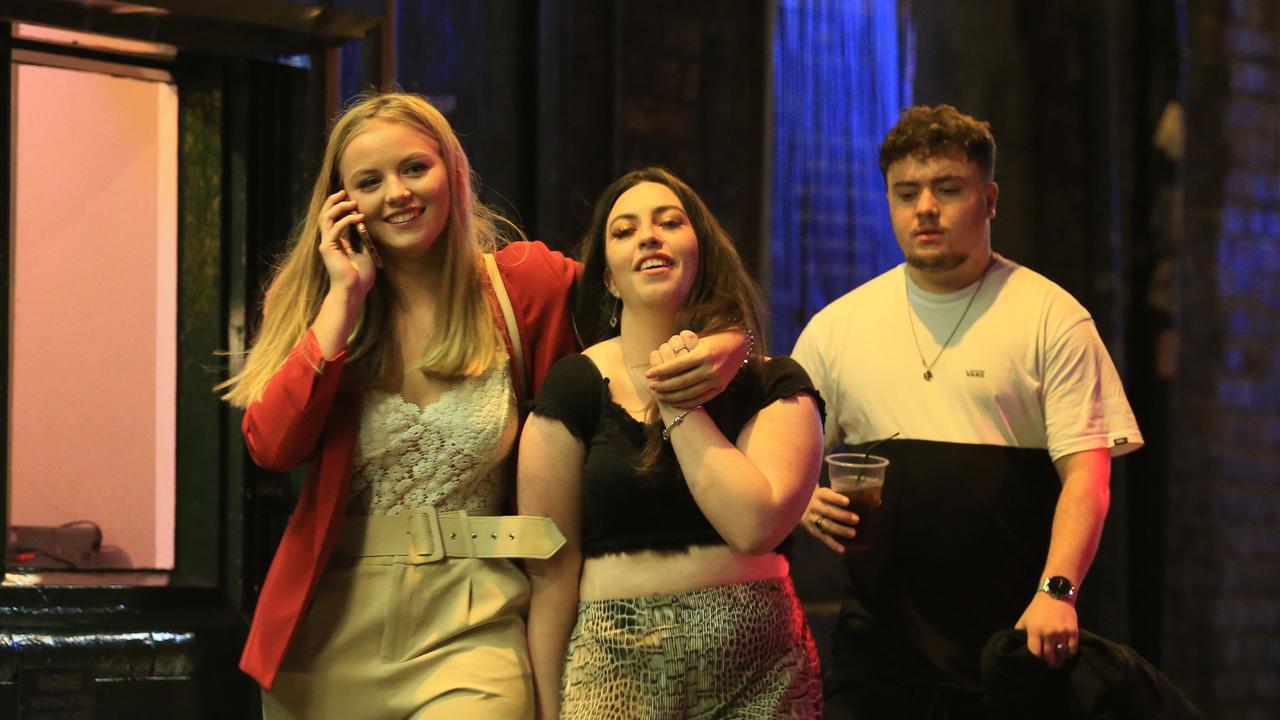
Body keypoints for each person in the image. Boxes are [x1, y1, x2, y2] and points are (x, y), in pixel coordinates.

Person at [217, 93, 746, 719]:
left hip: (479, 616)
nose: (397, 193)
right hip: (329, 622)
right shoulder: (318, 300)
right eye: (369, 181)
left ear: (453, 172)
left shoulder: (524, 282)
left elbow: (645, 289)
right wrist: (343, 301)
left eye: (415, 168)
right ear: (342, 204)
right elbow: (271, 447)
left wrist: (728, 343)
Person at [792, 104, 1144, 719]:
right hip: (877, 651)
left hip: (1009, 644)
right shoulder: (837, 328)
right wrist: (798, 500)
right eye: (907, 193)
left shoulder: (1050, 318)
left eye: (947, 189)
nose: (925, 207)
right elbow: (775, 466)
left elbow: (1088, 477)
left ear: (990, 199)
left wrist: (1057, 591)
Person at [518, 167, 826, 719]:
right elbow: (551, 574)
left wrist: (678, 400)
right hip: (614, 663)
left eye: (669, 222)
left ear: (701, 253)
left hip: (762, 668)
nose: (648, 236)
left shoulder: (772, 384)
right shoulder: (575, 385)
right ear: (609, 279)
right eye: (624, 230)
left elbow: (755, 526)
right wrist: (544, 709)